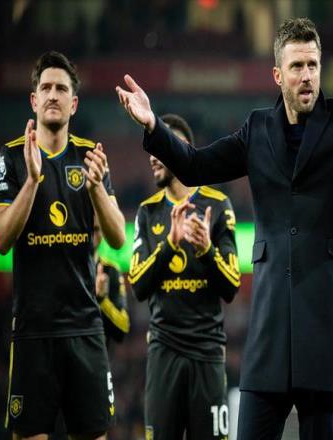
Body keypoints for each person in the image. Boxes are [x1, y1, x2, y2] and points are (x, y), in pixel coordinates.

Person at [116, 17, 333, 440]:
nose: (307, 75)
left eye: (313, 65)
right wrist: (153, 125)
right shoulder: (256, 128)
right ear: (278, 75)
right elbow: (196, 166)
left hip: (325, 323)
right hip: (271, 328)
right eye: (297, 66)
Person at [0, 51, 125, 440]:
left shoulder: (90, 155)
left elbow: (117, 236)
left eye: (61, 88)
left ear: (74, 103)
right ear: (33, 100)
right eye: (46, 88)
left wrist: (96, 188)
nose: (53, 94)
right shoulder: (13, 156)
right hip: (33, 331)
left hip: (85, 328)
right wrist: (32, 182)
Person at [128, 113, 240, 440]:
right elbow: (138, 286)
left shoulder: (218, 206)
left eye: (160, 149)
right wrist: (170, 245)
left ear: (181, 150)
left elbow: (231, 286)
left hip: (208, 353)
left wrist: (206, 250)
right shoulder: (148, 212)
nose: (152, 158)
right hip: (163, 352)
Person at [93, 224, 130, 347]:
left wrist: (102, 300)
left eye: (96, 229)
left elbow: (123, 327)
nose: (91, 234)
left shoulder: (110, 270)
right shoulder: (65, 269)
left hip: (98, 355)